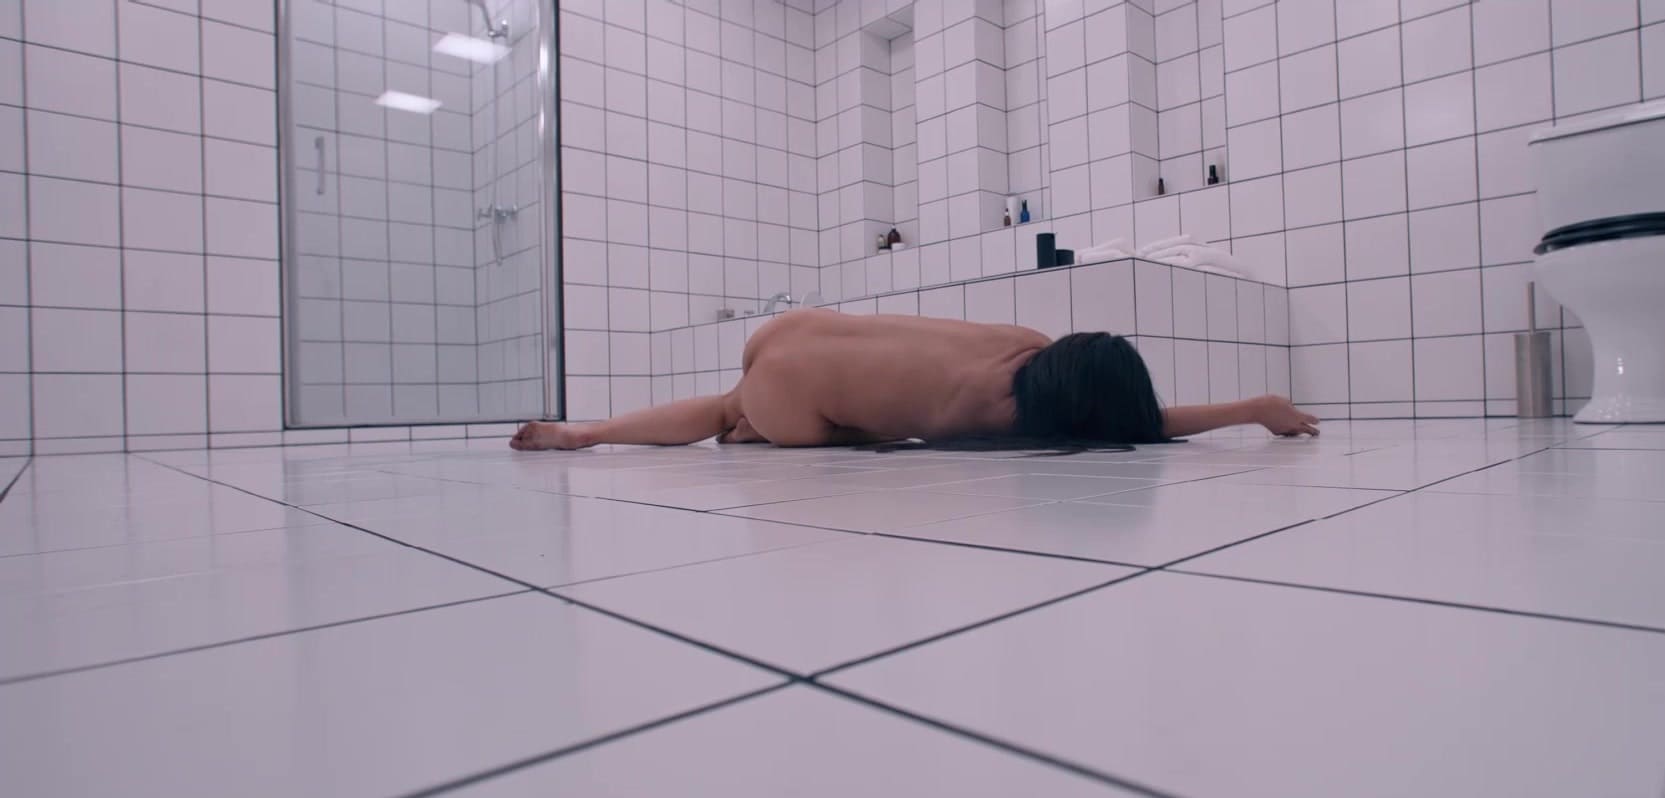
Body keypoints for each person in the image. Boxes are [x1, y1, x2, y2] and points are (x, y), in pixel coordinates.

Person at [510, 309, 1318, 451]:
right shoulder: (995, 413)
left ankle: (587, 432)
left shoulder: (1025, 342)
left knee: (731, 402)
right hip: (794, 397)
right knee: (862, 438)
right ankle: (754, 426)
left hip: (796, 330)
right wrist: (1247, 409)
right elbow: (1142, 426)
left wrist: (1258, 407)